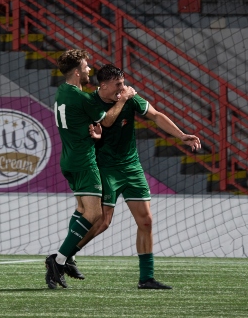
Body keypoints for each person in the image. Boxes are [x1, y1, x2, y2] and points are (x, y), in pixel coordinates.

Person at [73, 64, 201, 289]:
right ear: (103, 86)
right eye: (118, 85)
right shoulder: (91, 102)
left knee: (146, 221)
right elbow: (107, 122)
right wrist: (123, 99)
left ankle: (146, 278)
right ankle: (66, 256)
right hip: (105, 168)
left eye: (123, 84)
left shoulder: (129, 97)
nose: (123, 88)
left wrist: (181, 135)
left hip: (131, 167)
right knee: (103, 222)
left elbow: (156, 116)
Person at [45, 51, 136, 289]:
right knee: (95, 215)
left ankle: (69, 257)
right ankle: (59, 260)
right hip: (84, 161)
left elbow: (85, 125)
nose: (88, 71)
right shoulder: (80, 97)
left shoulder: (63, 92)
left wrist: (94, 135)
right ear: (76, 72)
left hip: (69, 158)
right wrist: (123, 98)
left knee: (82, 209)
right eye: (85, 67)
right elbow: (106, 121)